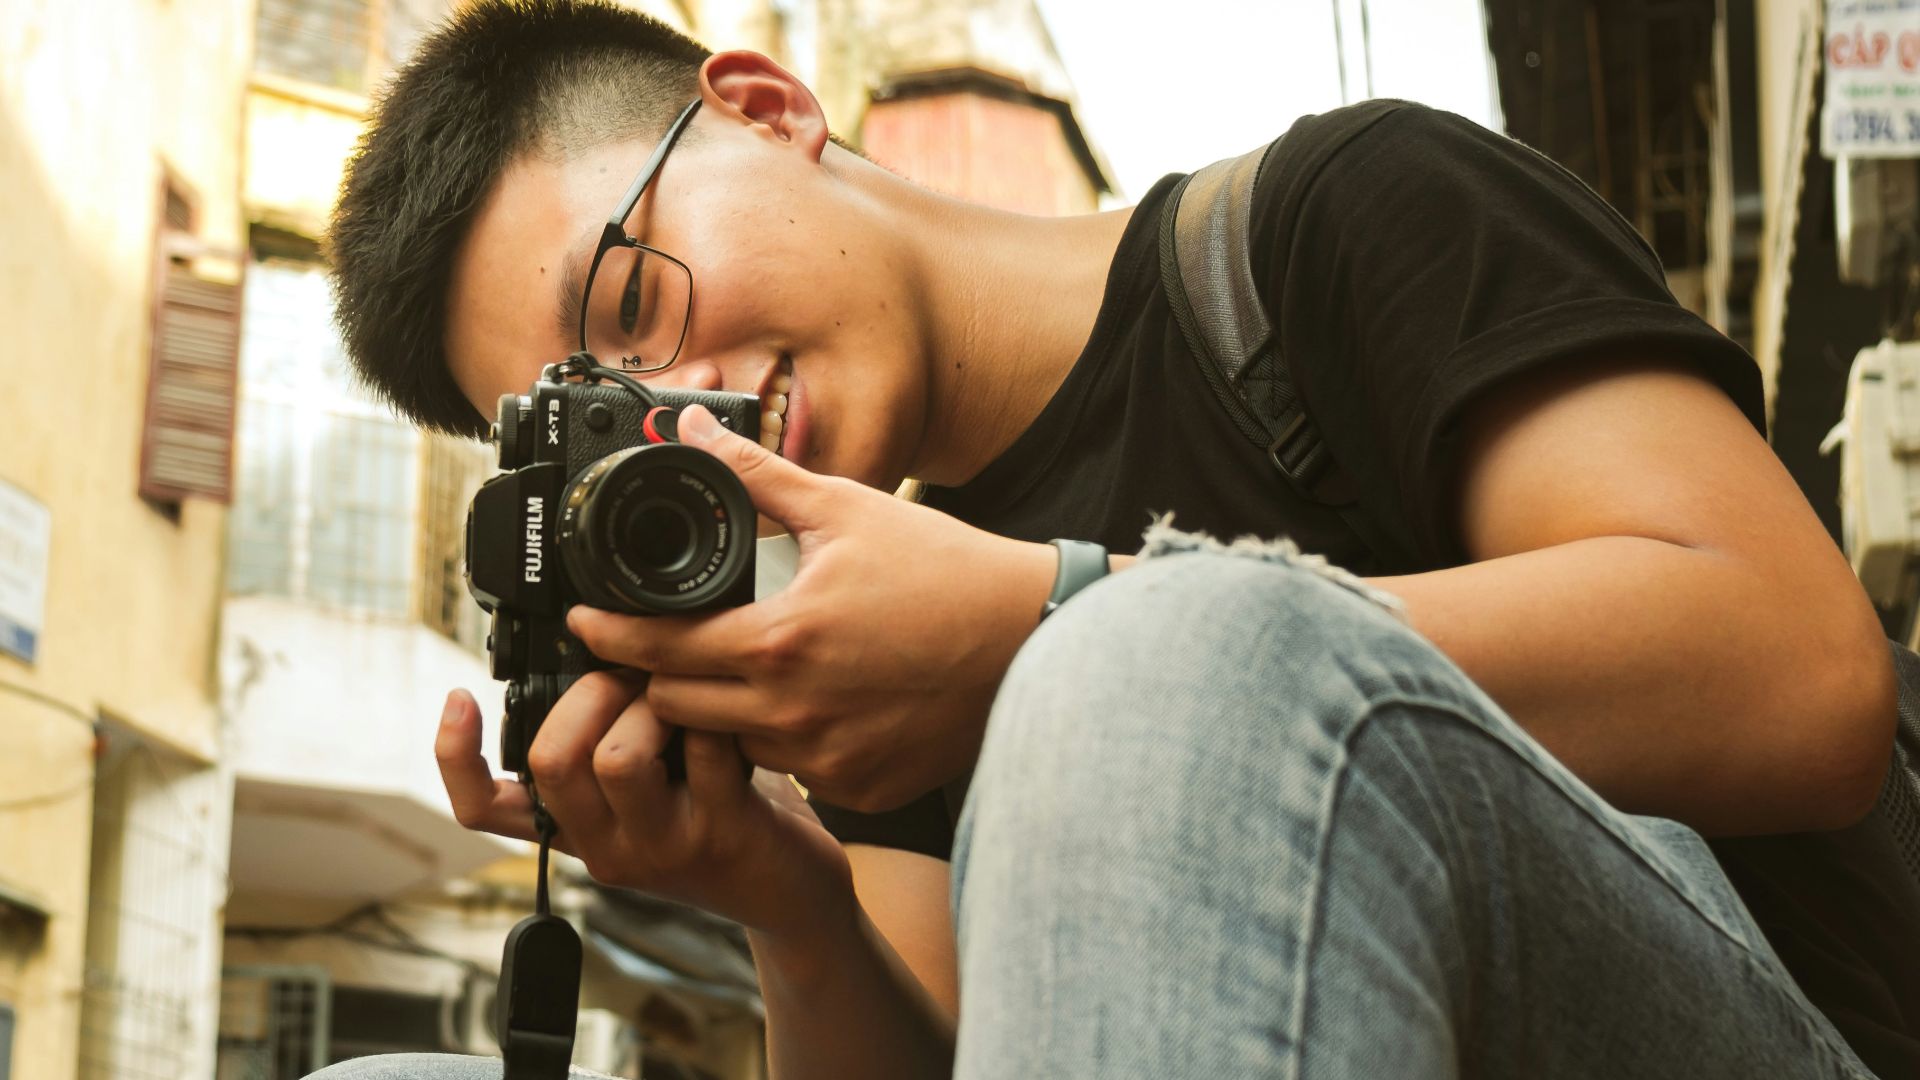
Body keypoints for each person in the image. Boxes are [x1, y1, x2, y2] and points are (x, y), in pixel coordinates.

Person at [314, 1, 1901, 1076]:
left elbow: (1799, 678)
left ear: (766, 109)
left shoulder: (1340, 218)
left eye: (640, 303)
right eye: (604, 411)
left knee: (1158, 655)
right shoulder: (861, 641)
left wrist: (1041, 621)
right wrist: (782, 900)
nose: (696, 411)